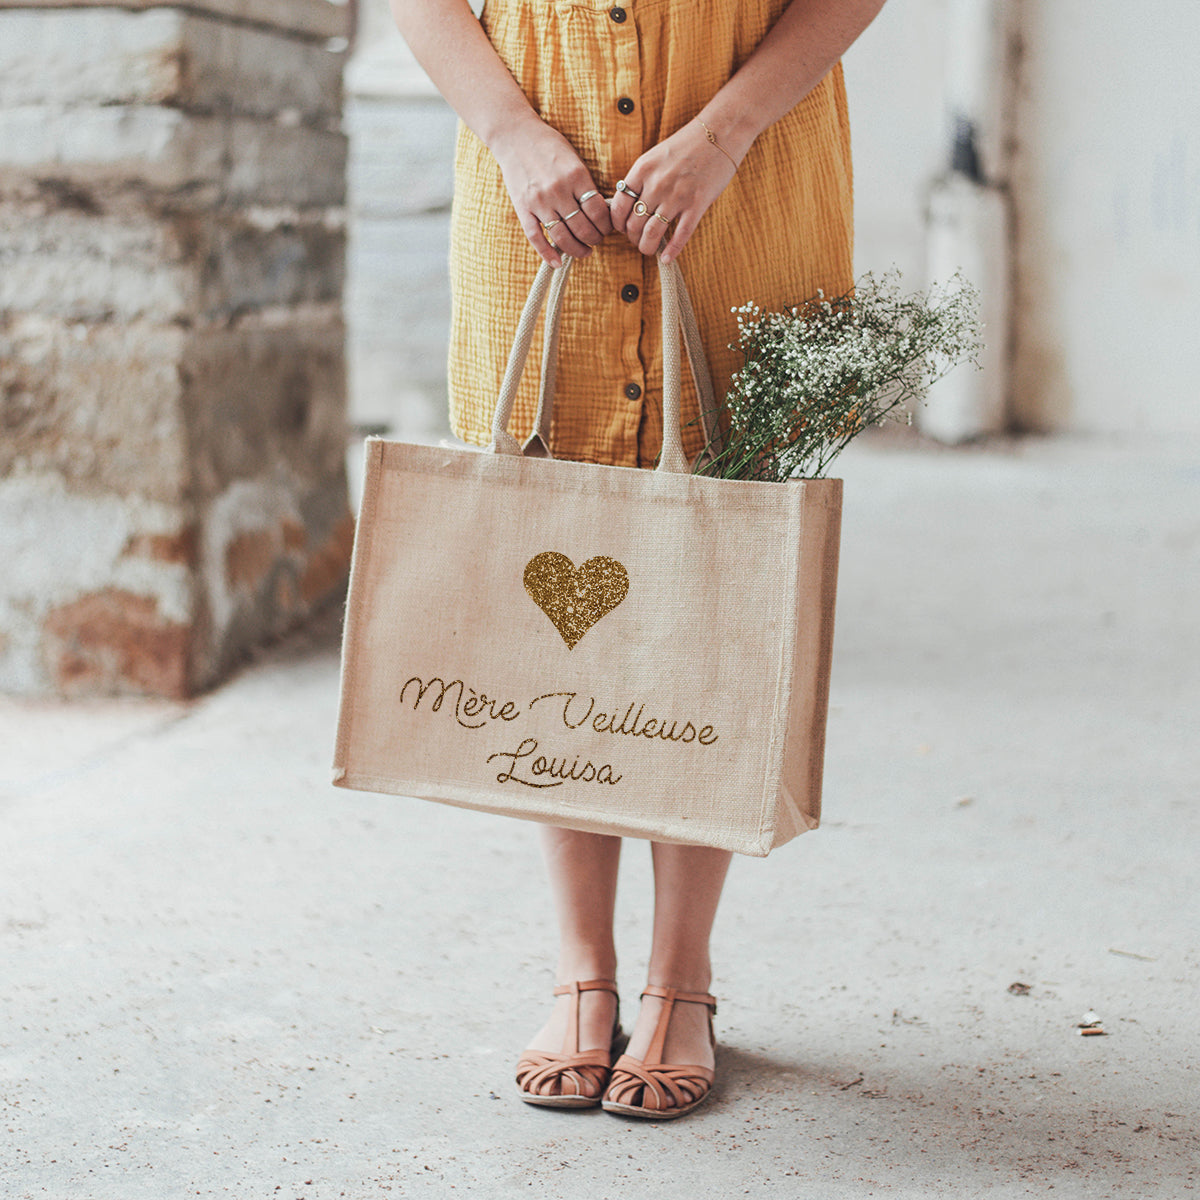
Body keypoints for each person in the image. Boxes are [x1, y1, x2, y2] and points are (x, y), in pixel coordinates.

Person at [388, 0, 886, 1118]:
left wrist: (722, 135)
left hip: (739, 183)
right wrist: (514, 135)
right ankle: (582, 972)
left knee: (712, 581)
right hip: (537, 191)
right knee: (546, 590)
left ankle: (681, 980)